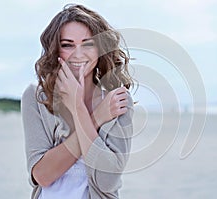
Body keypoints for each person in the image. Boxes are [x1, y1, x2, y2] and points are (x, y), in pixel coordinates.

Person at [21, 4, 134, 199]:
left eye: (88, 44)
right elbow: (42, 175)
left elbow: (107, 182)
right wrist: (95, 117)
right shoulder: (36, 97)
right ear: (55, 49)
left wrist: (79, 110)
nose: (78, 54)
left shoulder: (117, 100)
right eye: (67, 44)